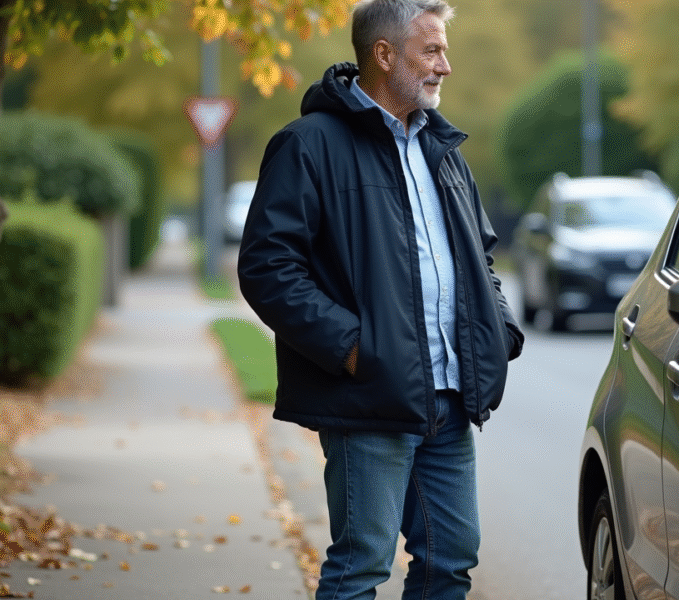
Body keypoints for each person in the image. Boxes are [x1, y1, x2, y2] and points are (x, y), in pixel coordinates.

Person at [236, 1, 524, 598]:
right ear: (384, 55)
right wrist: (351, 349)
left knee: (450, 563)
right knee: (361, 566)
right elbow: (268, 268)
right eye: (432, 50)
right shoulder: (308, 145)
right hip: (368, 395)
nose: (446, 65)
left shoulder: (442, 149)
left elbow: (480, 256)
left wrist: (498, 328)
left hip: (449, 399)